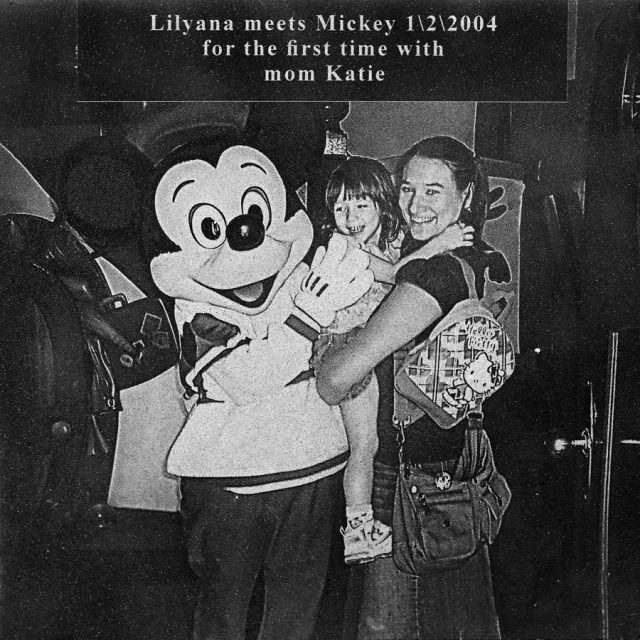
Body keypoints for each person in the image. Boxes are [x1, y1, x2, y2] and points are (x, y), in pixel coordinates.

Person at [316, 136, 502, 639]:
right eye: (406, 189)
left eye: (433, 192)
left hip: (402, 478)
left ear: (465, 197)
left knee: (386, 626)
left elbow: (336, 381)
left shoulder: (433, 274)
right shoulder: (473, 259)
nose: (415, 205)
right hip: (452, 468)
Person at [315, 156, 473, 565]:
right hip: (342, 344)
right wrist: (440, 243)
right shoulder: (344, 245)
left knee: (370, 443)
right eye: (340, 208)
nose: (350, 217)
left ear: (382, 206)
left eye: (361, 205)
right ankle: (358, 529)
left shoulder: (389, 237)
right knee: (364, 445)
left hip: (364, 354)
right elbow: (397, 275)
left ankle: (371, 525)